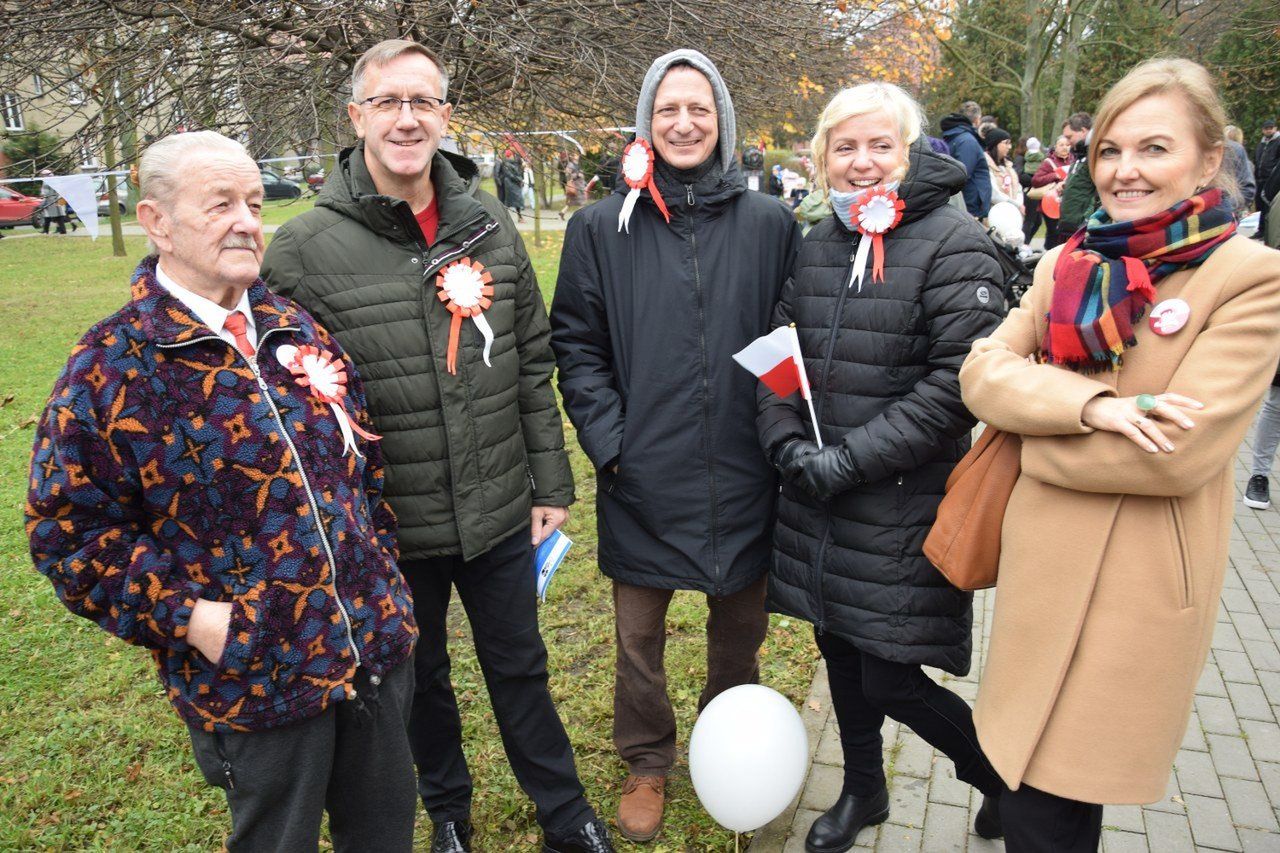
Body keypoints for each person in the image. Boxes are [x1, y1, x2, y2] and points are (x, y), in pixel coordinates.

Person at [260, 39, 613, 853]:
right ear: (356, 118)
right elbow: (286, 401)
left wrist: (549, 482)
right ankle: (448, 813)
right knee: (419, 683)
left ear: (446, 117)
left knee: (520, 666)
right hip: (388, 523)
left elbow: (530, 359)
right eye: (388, 102)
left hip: (496, 505)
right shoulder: (304, 249)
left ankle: (564, 811)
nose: (406, 118)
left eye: (423, 102)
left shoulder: (485, 224)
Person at [26, 130, 420, 851]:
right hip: (255, 681)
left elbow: (363, 468)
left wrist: (383, 576)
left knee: (387, 834)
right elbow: (67, 536)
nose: (247, 219)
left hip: (374, 649)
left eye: (251, 201)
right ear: (157, 221)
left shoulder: (295, 328)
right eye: (220, 205)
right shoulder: (111, 368)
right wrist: (193, 619)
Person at [959, 58, 1280, 851]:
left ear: (1208, 159)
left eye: (1152, 148)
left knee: (1054, 801)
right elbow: (981, 372)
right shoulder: (1073, 260)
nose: (1124, 170)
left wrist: (1030, 433)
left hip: (1132, 590)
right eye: (1109, 149)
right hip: (1040, 578)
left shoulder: (1249, 278)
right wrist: (1094, 407)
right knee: (1038, 783)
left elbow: (1176, 453)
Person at [549, 48, 801, 842]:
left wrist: (778, 440)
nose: (683, 122)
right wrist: (612, 445)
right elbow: (576, 344)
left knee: (739, 638)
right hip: (641, 473)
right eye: (667, 109)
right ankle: (648, 760)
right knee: (638, 641)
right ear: (644, 124)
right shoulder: (600, 227)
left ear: (722, 121)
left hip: (745, 467)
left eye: (699, 108)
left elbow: (793, 340)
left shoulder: (770, 223)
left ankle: (732, 750)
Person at [756, 82, 1005, 852]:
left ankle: (1001, 777)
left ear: (909, 151)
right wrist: (785, 441)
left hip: (899, 500)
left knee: (889, 674)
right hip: (818, 494)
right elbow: (777, 347)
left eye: (879, 145)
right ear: (823, 157)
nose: (862, 163)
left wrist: (847, 462)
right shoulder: (818, 239)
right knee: (839, 648)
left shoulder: (954, 241)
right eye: (845, 146)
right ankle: (864, 787)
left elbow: (955, 383)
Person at [939, 100, 991, 220]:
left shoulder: (954, 137)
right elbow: (964, 174)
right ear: (978, 119)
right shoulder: (968, 141)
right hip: (970, 204)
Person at [1052, 111, 1097, 246]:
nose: (1068, 142)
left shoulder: (1094, 155)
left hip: (1082, 227)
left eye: (1069, 137)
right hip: (1070, 226)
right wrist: (1067, 184)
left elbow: (1098, 192)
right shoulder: (1079, 155)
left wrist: (1087, 220)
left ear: (1083, 131)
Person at [984, 127, 1024, 244]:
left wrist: (1019, 204)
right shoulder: (985, 165)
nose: (1009, 147)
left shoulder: (1007, 166)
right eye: (1006, 143)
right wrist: (1016, 204)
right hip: (994, 219)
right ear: (995, 144)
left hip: (1012, 217)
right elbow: (994, 194)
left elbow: (1018, 188)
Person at [1029, 136, 1072, 246]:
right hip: (1051, 203)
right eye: (1061, 145)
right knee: (1054, 232)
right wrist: (1054, 175)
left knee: (1065, 233)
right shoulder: (1048, 162)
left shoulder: (1073, 161)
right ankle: (1049, 254)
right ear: (1055, 147)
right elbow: (1035, 180)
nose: (1065, 148)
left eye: (1067, 145)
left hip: (1067, 203)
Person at [1019, 137, 1045, 243]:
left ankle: (1026, 242)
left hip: (1037, 192)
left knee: (1037, 221)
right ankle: (1024, 244)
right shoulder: (1021, 159)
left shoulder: (1041, 159)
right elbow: (1020, 176)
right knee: (1029, 221)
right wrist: (1036, 180)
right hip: (1029, 193)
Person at [1255, 120, 1279, 233]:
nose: (1269, 130)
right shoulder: (1261, 143)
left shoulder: (1278, 142)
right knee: (1260, 205)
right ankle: (1261, 229)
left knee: (1268, 206)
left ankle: (1267, 231)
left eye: (1271, 127)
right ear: (1262, 130)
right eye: (1266, 128)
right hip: (1260, 178)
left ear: (1275, 128)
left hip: (1271, 180)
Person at [496, 148, 526, 221]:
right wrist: (520, 180)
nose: (514, 156)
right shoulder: (506, 164)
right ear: (510, 155)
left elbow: (518, 173)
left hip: (515, 184)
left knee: (515, 202)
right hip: (510, 184)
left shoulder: (515, 163)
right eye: (513, 155)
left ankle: (518, 217)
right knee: (510, 202)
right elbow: (510, 175)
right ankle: (504, 217)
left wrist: (522, 168)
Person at [38, 169, 69, 234]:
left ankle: (48, 230)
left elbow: (45, 192)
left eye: (43, 175)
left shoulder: (47, 181)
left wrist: (43, 197)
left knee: (51, 216)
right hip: (60, 199)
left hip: (52, 200)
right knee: (58, 215)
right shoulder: (57, 180)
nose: (42, 176)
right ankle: (59, 230)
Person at [558, 151, 587, 219]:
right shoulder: (570, 165)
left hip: (580, 185)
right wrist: (577, 175)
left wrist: (581, 175)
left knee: (572, 201)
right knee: (582, 202)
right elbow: (567, 175)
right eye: (576, 155)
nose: (578, 156)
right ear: (573, 157)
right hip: (576, 186)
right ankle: (581, 216)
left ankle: (562, 212)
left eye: (578, 155)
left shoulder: (577, 164)